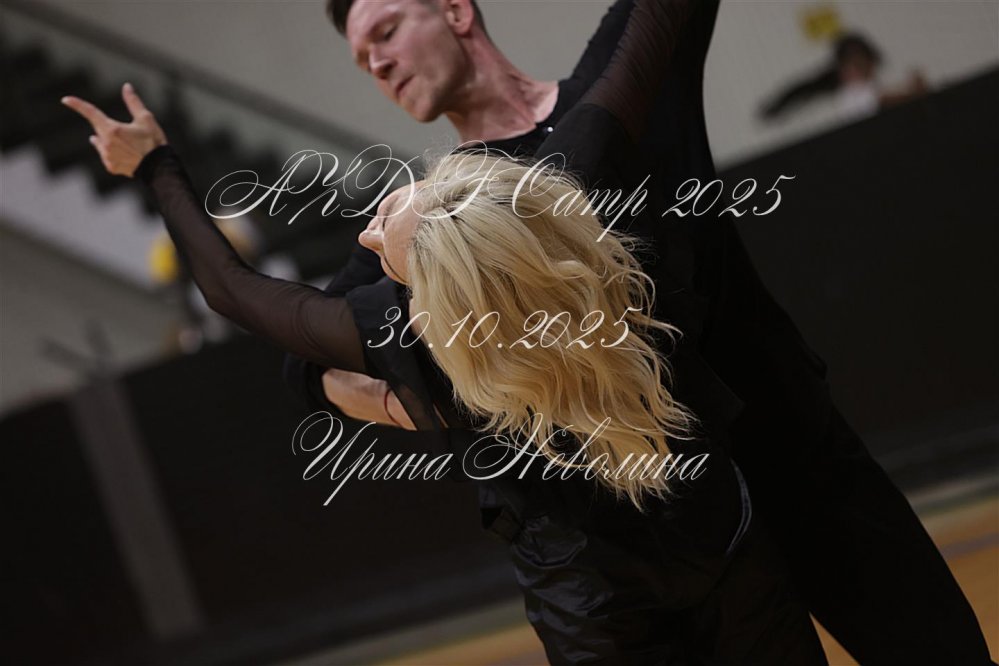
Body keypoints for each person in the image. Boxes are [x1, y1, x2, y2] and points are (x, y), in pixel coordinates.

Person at [61, 0, 851, 660]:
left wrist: (157, 167)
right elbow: (646, 37)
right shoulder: (561, 191)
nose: (370, 227)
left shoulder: (406, 333)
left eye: (385, 222)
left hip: (589, 585)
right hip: (709, 520)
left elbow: (235, 293)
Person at [288, 1, 991, 663]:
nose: (377, 64)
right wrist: (434, 403)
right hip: (683, 538)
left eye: (385, 32)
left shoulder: (622, 90)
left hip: (802, 462)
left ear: (454, 9)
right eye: (362, 59)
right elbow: (307, 367)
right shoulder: (436, 227)